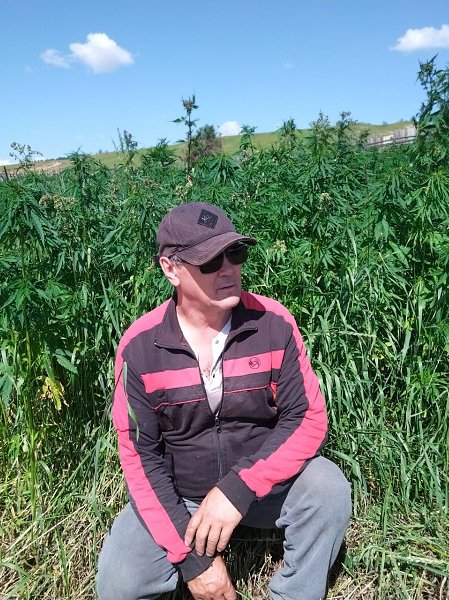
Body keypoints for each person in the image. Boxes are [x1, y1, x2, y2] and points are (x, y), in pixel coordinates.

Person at [96, 202, 351, 600]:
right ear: (170, 268)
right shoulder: (141, 348)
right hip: (181, 495)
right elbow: (140, 457)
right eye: (211, 261)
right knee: (119, 585)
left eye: (235, 253)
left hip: (262, 487)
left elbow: (307, 419)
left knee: (328, 489)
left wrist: (239, 487)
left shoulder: (272, 323)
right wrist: (192, 561)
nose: (229, 269)